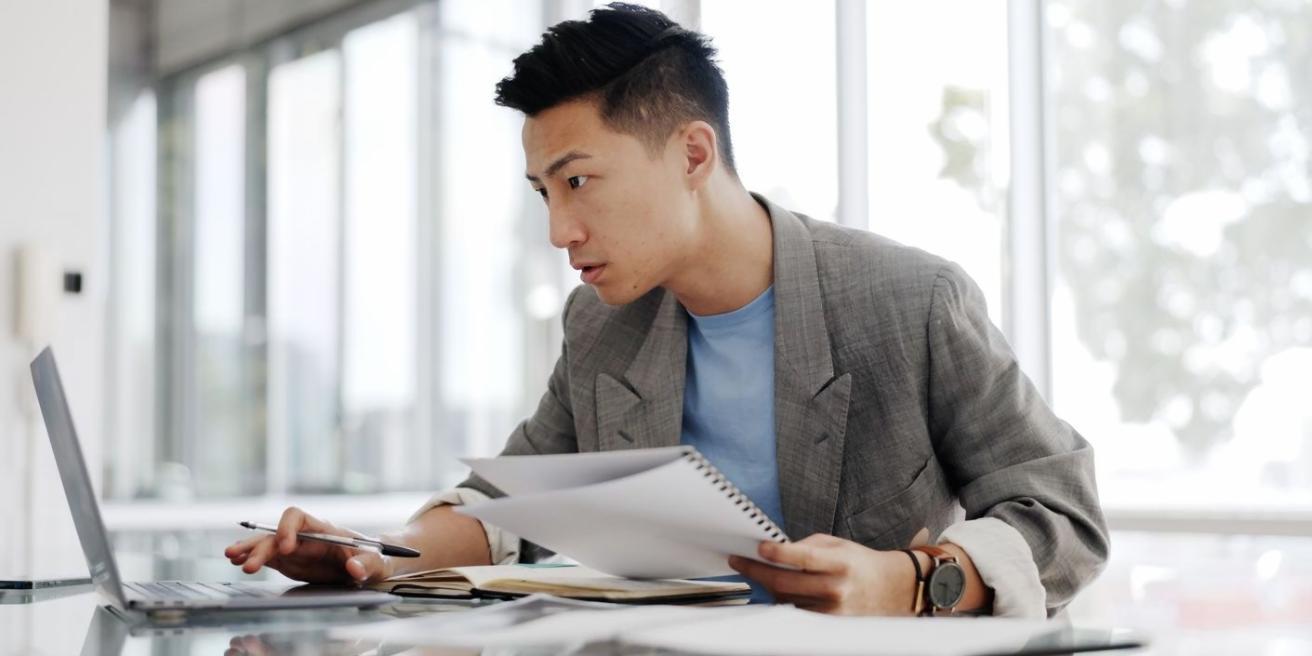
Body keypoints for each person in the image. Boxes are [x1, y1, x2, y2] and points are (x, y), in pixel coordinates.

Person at [225, 2, 1107, 617]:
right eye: (542, 192)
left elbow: (1062, 515)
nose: (559, 229)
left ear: (691, 152)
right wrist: (374, 553)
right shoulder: (601, 325)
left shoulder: (910, 301)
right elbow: (507, 501)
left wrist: (915, 582)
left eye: (579, 181)